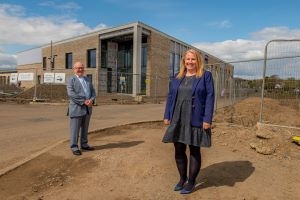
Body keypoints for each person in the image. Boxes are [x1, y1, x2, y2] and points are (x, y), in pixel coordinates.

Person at [162, 49, 215, 194]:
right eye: (187, 59)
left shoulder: (206, 76)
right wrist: (167, 115)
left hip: (196, 117)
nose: (190, 62)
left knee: (194, 150)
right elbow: (171, 97)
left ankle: (191, 182)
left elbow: (210, 97)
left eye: (193, 59)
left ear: (198, 61)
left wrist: (207, 119)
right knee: (179, 150)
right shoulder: (177, 77)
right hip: (178, 118)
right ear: (184, 61)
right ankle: (182, 178)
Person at [67, 61, 96, 156]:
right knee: (75, 129)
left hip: (88, 108)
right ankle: (74, 147)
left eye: (81, 68)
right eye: (78, 68)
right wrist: (84, 101)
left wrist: (91, 100)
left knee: (85, 128)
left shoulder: (87, 79)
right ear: (74, 69)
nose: (80, 69)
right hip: (76, 108)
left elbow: (93, 92)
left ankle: (84, 144)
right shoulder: (71, 80)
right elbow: (71, 94)